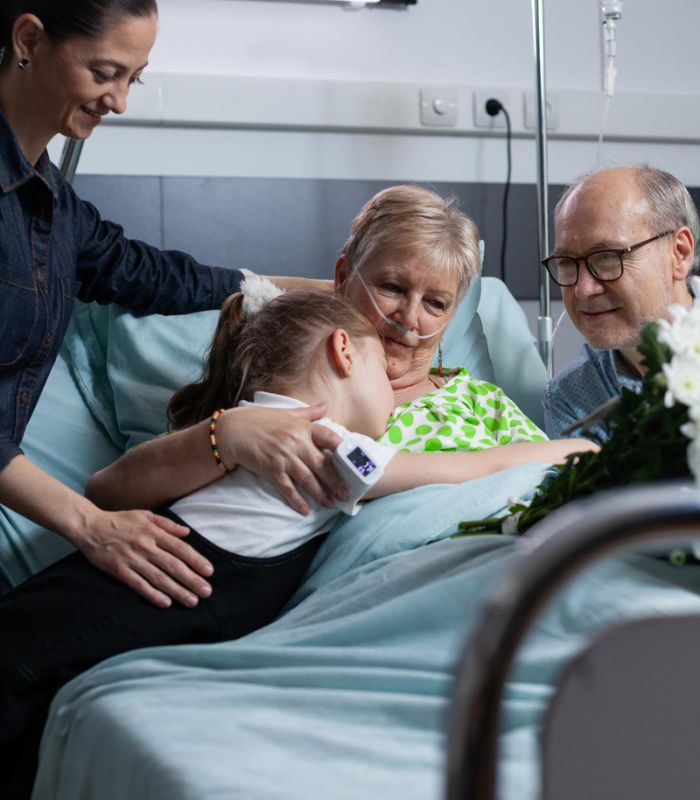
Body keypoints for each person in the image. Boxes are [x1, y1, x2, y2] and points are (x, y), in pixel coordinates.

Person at [0, 284, 592, 799]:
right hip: (137, 597)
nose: (394, 396)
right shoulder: (330, 444)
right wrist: (577, 448)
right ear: (342, 351)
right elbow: (465, 469)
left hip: (116, 589)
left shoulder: (252, 421)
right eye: (382, 375)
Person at [0, 0, 332, 607]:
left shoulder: (50, 204)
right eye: (104, 73)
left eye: (134, 78)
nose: (120, 101)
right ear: (28, 39)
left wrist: (329, 290)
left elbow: (149, 274)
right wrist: (89, 525)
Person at [87, 184, 597, 532]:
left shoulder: (484, 404)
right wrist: (227, 434)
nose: (409, 317)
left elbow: (563, 495)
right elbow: (110, 492)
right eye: (392, 286)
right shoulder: (289, 380)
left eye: (437, 303)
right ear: (342, 277)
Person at [542, 165, 698, 440]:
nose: (583, 290)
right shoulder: (570, 399)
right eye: (567, 263)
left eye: (607, 257)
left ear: (679, 253)